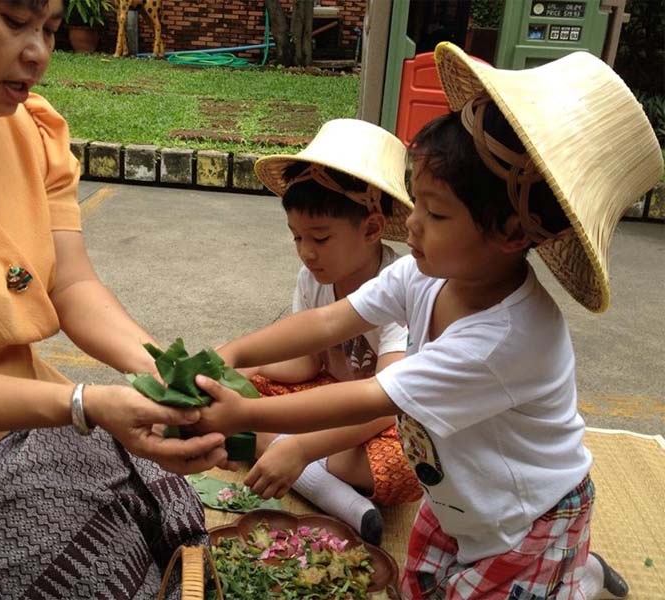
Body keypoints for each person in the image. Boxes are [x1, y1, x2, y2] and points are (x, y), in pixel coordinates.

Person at [195, 43, 663, 598]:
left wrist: (259, 420)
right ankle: (570, 573)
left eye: (436, 213)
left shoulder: (504, 339)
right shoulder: (425, 274)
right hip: (456, 494)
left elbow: (375, 398)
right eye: (416, 202)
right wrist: (233, 353)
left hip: (526, 520)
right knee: (417, 586)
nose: (411, 226)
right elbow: (328, 323)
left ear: (513, 234)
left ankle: (575, 576)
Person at [0, 1, 227, 598]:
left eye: (51, 29)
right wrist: (83, 402)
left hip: (22, 417)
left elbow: (71, 283)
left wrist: (166, 370)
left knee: (169, 513)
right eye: (13, 21)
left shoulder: (28, 127)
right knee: (97, 572)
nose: (38, 52)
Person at [239, 119, 422, 545]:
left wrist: (305, 446)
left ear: (372, 228)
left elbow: (388, 400)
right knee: (239, 397)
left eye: (320, 237)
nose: (306, 253)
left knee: (408, 463)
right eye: (297, 237)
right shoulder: (314, 277)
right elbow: (307, 360)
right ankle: (346, 501)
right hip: (331, 399)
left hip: (379, 413)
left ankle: (299, 463)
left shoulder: (399, 283)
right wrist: (247, 370)